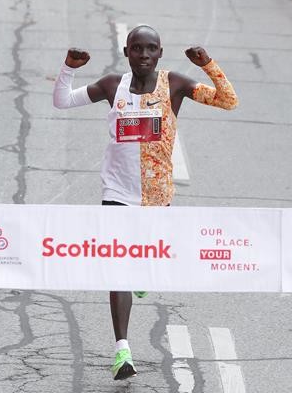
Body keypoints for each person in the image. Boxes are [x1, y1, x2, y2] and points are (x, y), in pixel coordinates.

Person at [52, 24, 238, 380]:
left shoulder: (175, 85)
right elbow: (63, 100)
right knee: (118, 268)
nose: (144, 55)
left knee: (143, 261)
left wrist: (207, 64)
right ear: (126, 52)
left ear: (160, 53)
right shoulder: (112, 86)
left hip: (157, 196)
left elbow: (228, 100)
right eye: (137, 48)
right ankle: (122, 349)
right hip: (117, 193)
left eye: (151, 48)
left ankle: (142, 269)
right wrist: (68, 68)